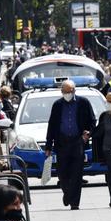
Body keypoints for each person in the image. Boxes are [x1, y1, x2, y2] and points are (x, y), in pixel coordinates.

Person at [45, 80, 97, 211]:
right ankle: (67, 193)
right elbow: (51, 125)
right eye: (63, 92)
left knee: (76, 174)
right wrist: (48, 145)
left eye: (68, 92)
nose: (66, 94)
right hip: (61, 143)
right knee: (62, 173)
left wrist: (88, 134)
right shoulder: (57, 105)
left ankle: (75, 203)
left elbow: (92, 121)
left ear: (74, 91)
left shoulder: (83, 102)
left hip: (77, 142)